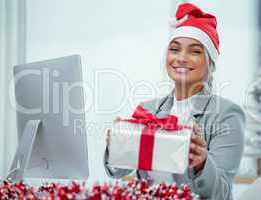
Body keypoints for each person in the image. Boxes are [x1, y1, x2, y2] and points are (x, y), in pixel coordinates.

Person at [104, 3, 245, 200]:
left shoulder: (227, 114)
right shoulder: (149, 109)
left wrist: (203, 165)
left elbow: (221, 193)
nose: (181, 58)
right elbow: (116, 172)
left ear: (211, 63)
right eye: (174, 49)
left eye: (194, 51)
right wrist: (116, 146)